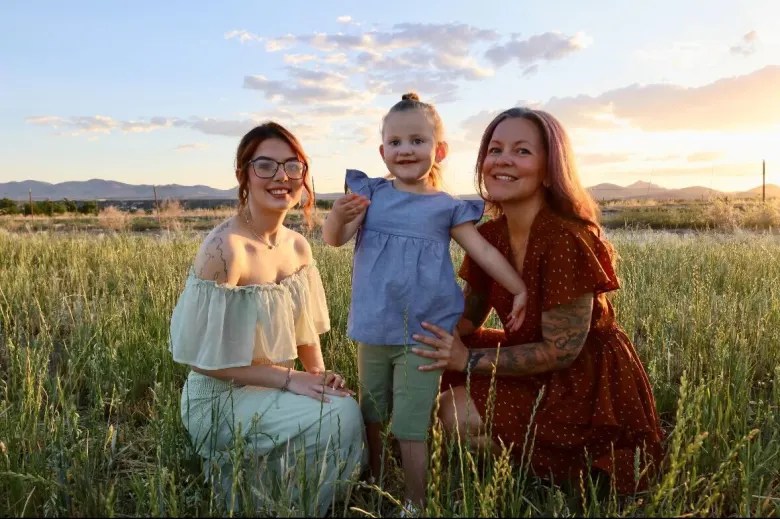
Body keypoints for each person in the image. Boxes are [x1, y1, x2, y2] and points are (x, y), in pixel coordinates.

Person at [411, 107, 664, 494]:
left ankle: (557, 473)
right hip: (531, 357)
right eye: (495, 149)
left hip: (583, 382)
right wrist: (417, 333)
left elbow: (560, 351)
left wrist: (467, 361)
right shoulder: (491, 237)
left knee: (451, 411)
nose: (503, 160)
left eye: (522, 151)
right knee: (430, 364)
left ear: (549, 170)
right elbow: (468, 320)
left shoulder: (564, 239)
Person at [322, 93, 528, 511]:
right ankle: (376, 479)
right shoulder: (370, 194)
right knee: (371, 412)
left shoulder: (446, 207)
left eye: (417, 140)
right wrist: (338, 216)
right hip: (374, 328)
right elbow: (335, 239)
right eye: (395, 142)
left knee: (412, 422)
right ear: (383, 151)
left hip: (425, 333)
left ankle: (415, 501)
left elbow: (483, 253)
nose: (405, 150)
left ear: (439, 150)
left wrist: (518, 287)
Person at [169, 122, 364, 516]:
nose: (281, 177)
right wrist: (292, 379)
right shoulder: (225, 250)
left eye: (293, 166)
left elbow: (305, 332)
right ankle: (273, 501)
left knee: (341, 402)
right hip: (219, 399)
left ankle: (279, 492)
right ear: (243, 175)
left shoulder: (298, 246)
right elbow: (201, 361)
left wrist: (318, 375)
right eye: (265, 166)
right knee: (341, 416)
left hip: (274, 387)